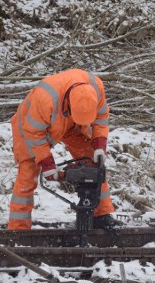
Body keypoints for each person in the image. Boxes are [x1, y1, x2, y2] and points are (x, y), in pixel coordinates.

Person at [9, 69, 121, 230]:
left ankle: (101, 214)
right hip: (31, 126)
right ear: (69, 103)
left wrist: (99, 145)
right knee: (28, 173)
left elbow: (101, 117)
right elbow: (34, 133)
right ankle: (18, 229)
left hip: (71, 123)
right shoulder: (45, 99)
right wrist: (47, 164)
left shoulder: (96, 87)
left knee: (93, 164)